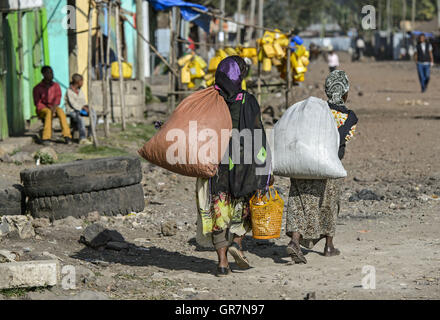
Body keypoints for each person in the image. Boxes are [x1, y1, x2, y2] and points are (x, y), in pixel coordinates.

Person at [196, 56, 270, 277]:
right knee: (243, 208)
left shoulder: (210, 99)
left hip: (215, 165)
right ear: (242, 75)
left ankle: (221, 263)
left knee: (219, 213)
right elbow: (259, 135)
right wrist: (265, 168)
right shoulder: (248, 101)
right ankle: (237, 242)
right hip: (243, 165)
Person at [285, 70, 358, 264]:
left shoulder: (316, 110)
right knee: (328, 205)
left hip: (305, 163)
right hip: (329, 166)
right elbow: (342, 140)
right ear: (345, 92)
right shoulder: (349, 117)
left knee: (301, 201)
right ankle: (328, 245)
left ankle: (295, 240)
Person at [33, 66, 72, 145]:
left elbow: (58, 98)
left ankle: (67, 136)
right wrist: (49, 109)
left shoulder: (56, 86)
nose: (51, 74)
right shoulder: (37, 88)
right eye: (49, 73)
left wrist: (53, 108)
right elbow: (37, 103)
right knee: (48, 112)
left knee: (61, 111)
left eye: (52, 72)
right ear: (43, 74)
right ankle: (46, 138)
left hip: (53, 106)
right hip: (43, 109)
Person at [65, 74, 97, 145]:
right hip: (72, 111)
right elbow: (73, 104)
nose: (83, 83)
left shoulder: (80, 90)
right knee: (80, 117)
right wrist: (82, 108)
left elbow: (83, 101)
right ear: (77, 82)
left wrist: (87, 107)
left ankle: (90, 134)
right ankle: (82, 138)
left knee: (93, 113)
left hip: (82, 110)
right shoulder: (69, 91)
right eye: (82, 81)